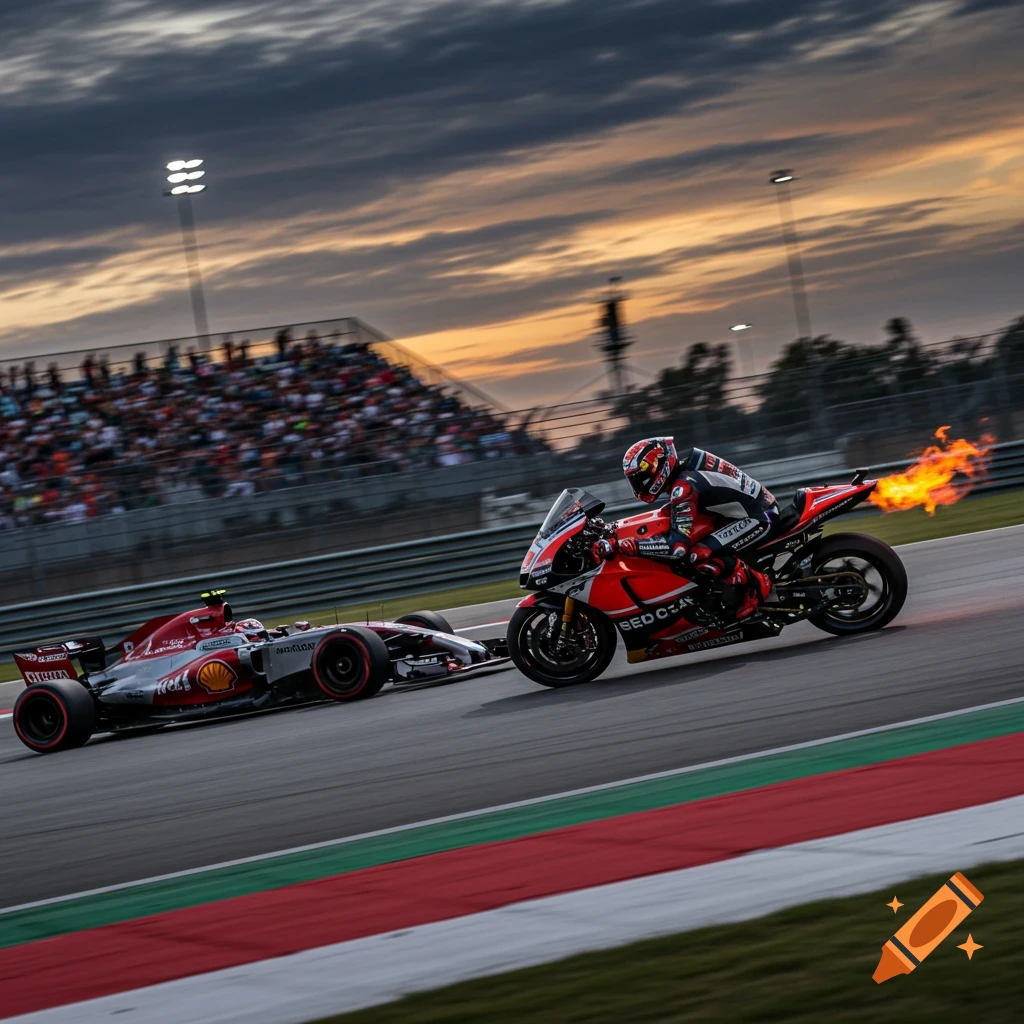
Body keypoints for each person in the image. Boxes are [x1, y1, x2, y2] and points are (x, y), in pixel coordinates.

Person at [595, 436, 778, 621]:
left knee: (697, 554)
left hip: (759, 517)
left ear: (660, 465)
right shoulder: (686, 471)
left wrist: (631, 545)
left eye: (642, 476)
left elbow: (677, 547)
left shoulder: (684, 487)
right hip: (744, 510)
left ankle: (756, 584)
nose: (640, 483)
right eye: (635, 479)